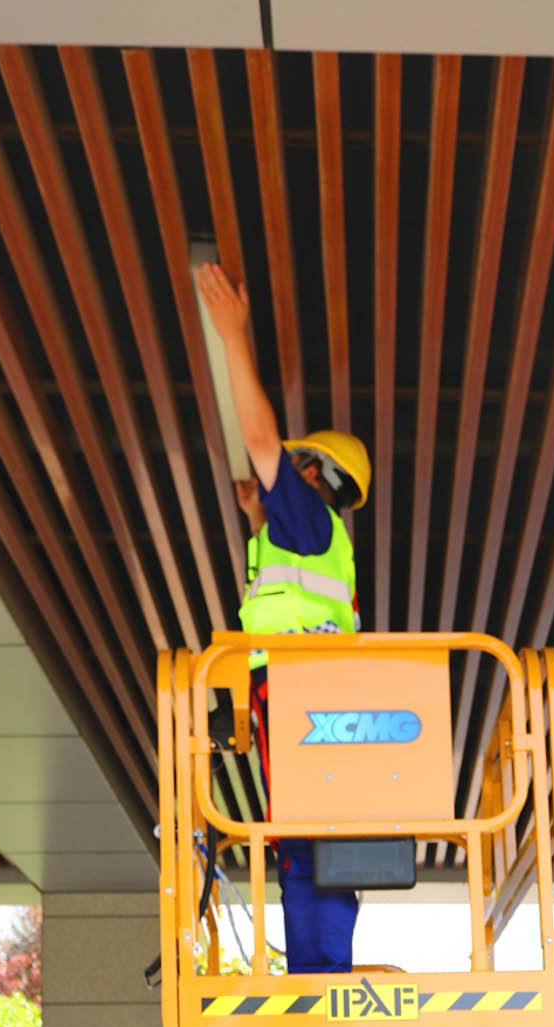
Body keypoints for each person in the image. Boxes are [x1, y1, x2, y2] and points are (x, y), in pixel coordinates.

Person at [195, 261, 372, 974]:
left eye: (294, 466)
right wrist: (255, 519)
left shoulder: (310, 521)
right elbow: (289, 597)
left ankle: (318, 978)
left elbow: (261, 441)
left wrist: (233, 337)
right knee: (312, 839)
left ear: (314, 476)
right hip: (310, 695)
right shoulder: (310, 536)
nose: (279, 472)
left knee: (311, 841)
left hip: (305, 696)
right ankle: (317, 972)